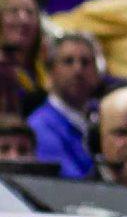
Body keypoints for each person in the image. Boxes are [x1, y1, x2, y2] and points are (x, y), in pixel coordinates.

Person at [27, 29, 101, 178]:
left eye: (85, 62)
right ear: (51, 71)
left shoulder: (101, 119)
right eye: (68, 61)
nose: (78, 70)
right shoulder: (39, 126)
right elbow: (71, 184)